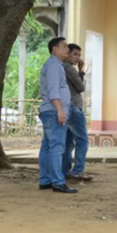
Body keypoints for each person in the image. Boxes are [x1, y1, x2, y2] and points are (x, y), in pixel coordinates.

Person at [38, 37, 76, 193]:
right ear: (55, 49)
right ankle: (58, 182)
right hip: (54, 111)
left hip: (49, 111)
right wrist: (60, 110)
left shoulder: (54, 65)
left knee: (47, 146)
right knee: (56, 147)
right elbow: (54, 90)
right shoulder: (54, 65)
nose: (67, 49)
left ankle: (46, 180)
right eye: (64, 46)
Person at [62, 43, 91, 182]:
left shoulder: (61, 67)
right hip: (74, 107)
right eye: (75, 54)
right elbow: (80, 87)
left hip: (66, 107)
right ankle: (78, 170)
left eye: (79, 55)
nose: (78, 58)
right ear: (67, 54)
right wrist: (82, 70)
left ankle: (65, 170)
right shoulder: (69, 68)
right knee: (82, 139)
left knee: (68, 142)